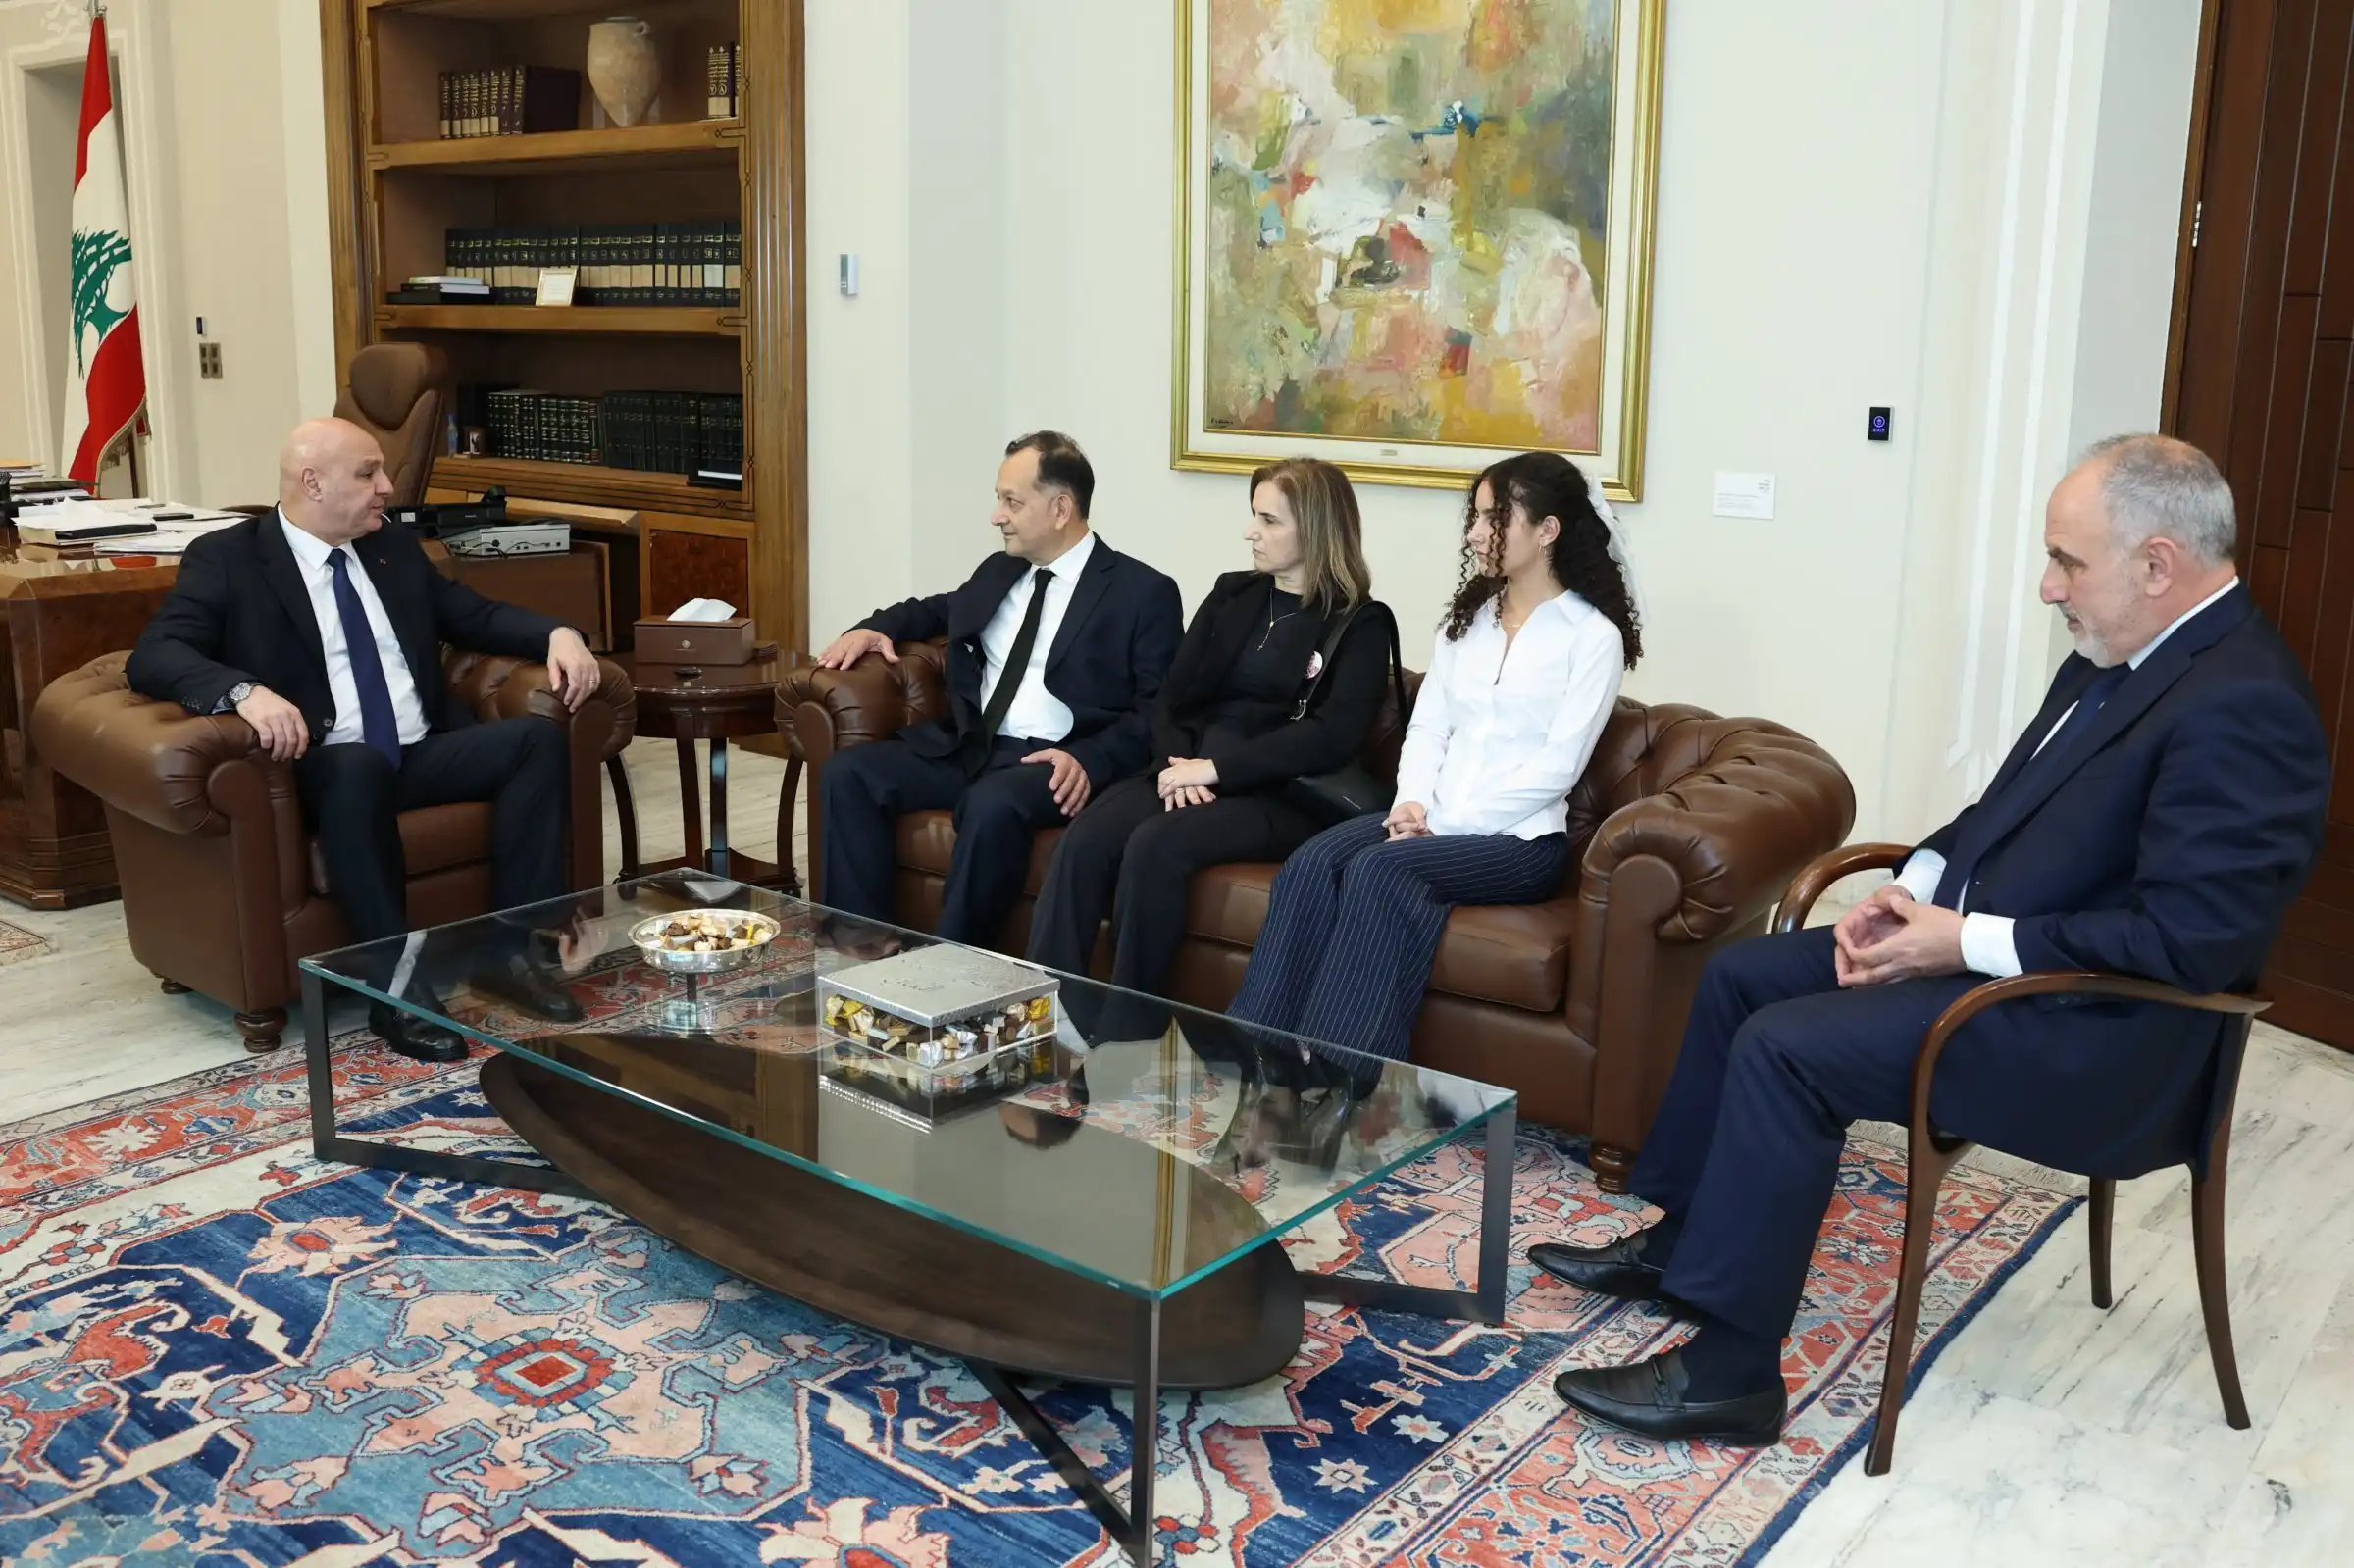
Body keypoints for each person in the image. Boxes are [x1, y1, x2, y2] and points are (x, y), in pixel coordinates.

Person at [1535, 435, 2330, 1447]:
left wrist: (1961, 942)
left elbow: (2189, 944)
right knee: (1741, 978)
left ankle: (1729, 1375)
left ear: (2157, 564)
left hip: (2104, 1036)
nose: (2048, 587)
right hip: (2017, 973)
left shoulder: (2245, 704)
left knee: (1789, 1050)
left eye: (2067, 562)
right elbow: (1998, 814)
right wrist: (1910, 891)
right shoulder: (2116, 656)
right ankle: (1686, 1239)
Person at [127, 417, 606, 1063]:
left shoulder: (390, 547)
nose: (386, 487)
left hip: (414, 752)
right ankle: (395, 988)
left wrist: (558, 633)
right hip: (323, 766)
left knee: (534, 742)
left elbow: (474, 615)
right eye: (367, 473)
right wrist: (244, 691)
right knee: (356, 767)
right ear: (312, 483)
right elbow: (155, 654)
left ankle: (509, 951)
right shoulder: (229, 559)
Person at [1222, 450, 1644, 1064]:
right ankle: (1253, 1059)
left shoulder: (1593, 638)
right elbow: (1427, 730)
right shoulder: (1468, 622)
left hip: (1517, 842)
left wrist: (1442, 824)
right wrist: (1413, 804)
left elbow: (1558, 768)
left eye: (1494, 518)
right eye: (1477, 516)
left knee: (1379, 872)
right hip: (1430, 820)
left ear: (1547, 530)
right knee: (1312, 862)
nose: (1475, 533)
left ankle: (1338, 1080)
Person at [1025, 457, 1398, 1006]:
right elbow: (1173, 696)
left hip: (1276, 791)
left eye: (1269, 520)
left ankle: (1129, 1034)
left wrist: (1217, 771)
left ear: (1316, 528)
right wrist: (1181, 766)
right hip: (1188, 768)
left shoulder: (1359, 623)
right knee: (1086, 840)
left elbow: (1329, 736)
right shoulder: (1233, 594)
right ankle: (1044, 1015)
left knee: (1154, 845)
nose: (1251, 531)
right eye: (1254, 515)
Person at [814, 431, 1183, 945]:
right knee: (848, 774)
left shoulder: (1142, 592)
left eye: (1012, 501)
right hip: (974, 746)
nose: (996, 516)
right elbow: (938, 609)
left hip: (1053, 761)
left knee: (991, 805)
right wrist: (873, 627)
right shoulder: (1001, 570)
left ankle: (951, 965)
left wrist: (1089, 760)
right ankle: (859, 947)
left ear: (1060, 508)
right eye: (999, 499)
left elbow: (1157, 711)